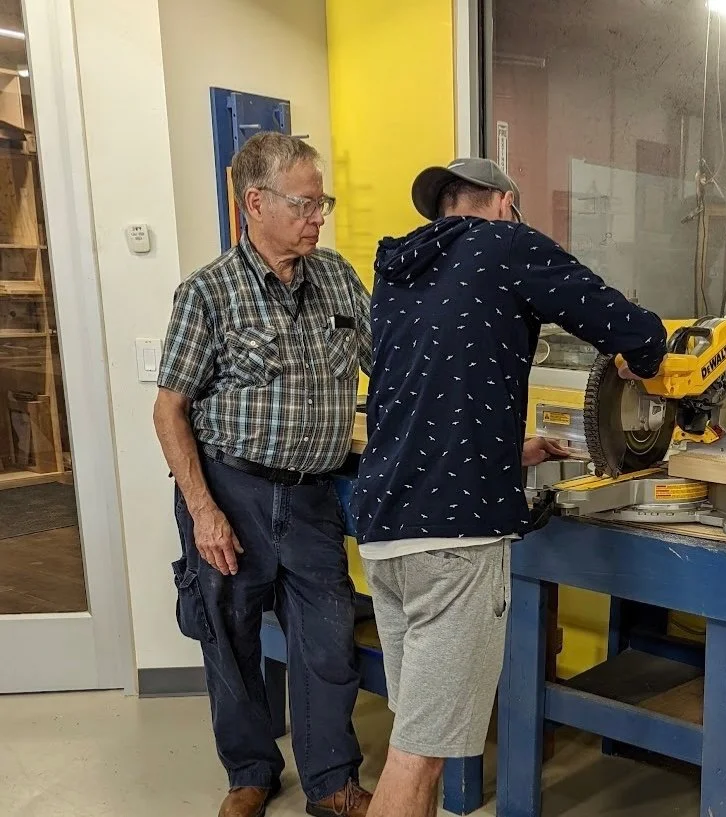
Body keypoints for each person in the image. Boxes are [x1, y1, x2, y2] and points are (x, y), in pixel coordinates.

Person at [353, 157, 667, 817]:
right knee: (418, 753)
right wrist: (652, 361)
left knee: (420, 729)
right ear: (503, 202)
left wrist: (506, 451)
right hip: (452, 542)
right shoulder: (503, 243)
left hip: (384, 528)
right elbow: (621, 324)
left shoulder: (397, 271)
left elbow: (416, 396)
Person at [154, 132, 373, 817]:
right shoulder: (208, 292)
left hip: (312, 496)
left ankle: (331, 781)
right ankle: (250, 770)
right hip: (230, 491)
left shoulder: (337, 277)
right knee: (230, 637)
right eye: (306, 203)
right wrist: (202, 508)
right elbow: (169, 411)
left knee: (327, 640)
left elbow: (390, 370)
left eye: (321, 202)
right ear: (257, 202)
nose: (318, 216)